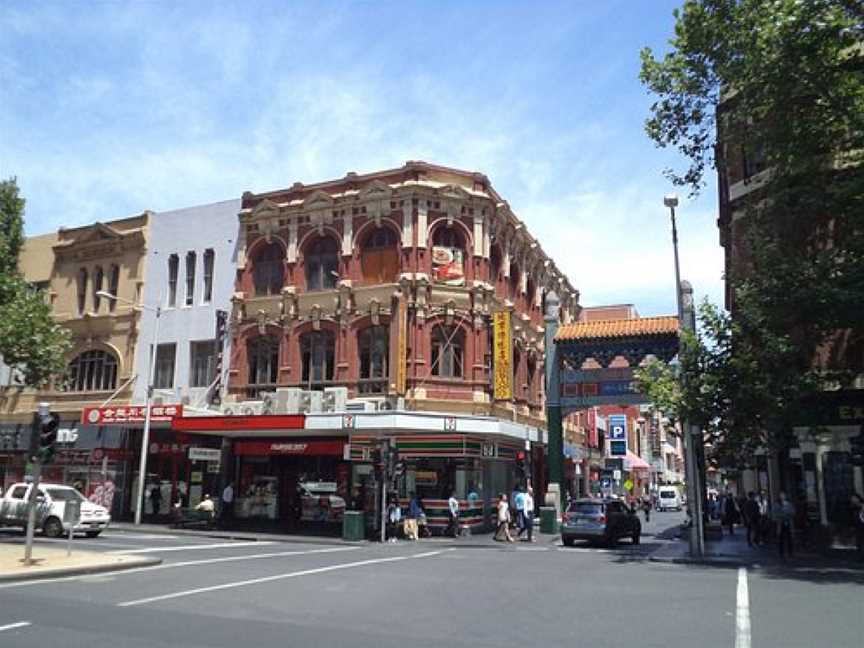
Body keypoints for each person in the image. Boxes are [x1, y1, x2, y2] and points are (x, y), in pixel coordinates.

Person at [773, 491, 795, 560]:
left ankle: (790, 552)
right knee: (781, 538)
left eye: (784, 495)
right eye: (781, 495)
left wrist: (788, 514)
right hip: (781, 523)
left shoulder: (789, 504)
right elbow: (774, 514)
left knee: (789, 538)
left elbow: (793, 512)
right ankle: (781, 552)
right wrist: (781, 515)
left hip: (788, 522)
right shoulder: (777, 504)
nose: (783, 496)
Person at [850, 493, 864, 562]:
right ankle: (861, 557)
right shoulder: (855, 509)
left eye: (854, 499)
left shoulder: (862, 507)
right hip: (859, 528)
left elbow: (861, 518)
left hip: (862, 528)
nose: (852, 501)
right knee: (859, 543)